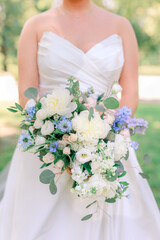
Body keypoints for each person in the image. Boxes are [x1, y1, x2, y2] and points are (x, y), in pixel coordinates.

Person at [0, 0, 160, 239]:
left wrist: (104, 136)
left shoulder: (121, 26)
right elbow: (27, 95)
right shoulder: (35, 26)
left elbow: (130, 93)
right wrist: (58, 138)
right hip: (48, 149)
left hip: (108, 144)